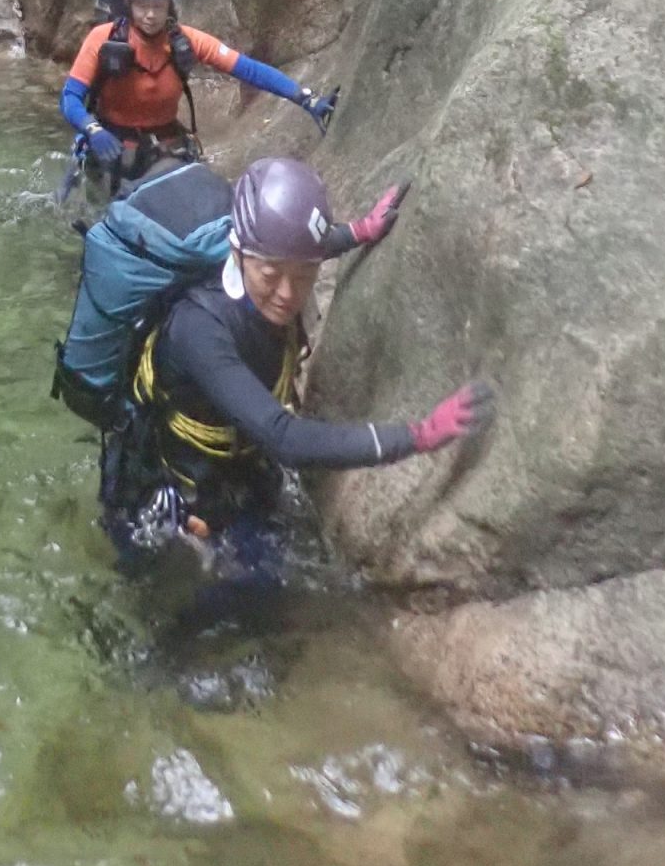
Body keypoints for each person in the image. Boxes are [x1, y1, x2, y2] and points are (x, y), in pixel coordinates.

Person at [97, 154, 495, 566]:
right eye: (271, 276)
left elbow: (299, 253)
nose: (288, 293)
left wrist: (360, 231)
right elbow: (284, 438)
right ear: (238, 254)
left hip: (239, 470)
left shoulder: (269, 260)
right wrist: (418, 436)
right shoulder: (198, 329)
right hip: (168, 490)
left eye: (303, 277)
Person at [58, 0, 334, 191]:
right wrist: (92, 129)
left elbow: (248, 70)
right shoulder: (101, 39)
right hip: (109, 146)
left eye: (158, 5)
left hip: (164, 149)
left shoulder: (186, 42)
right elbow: (70, 97)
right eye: (143, 5)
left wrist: (305, 99)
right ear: (128, 3)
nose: (151, 15)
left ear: (169, 4)